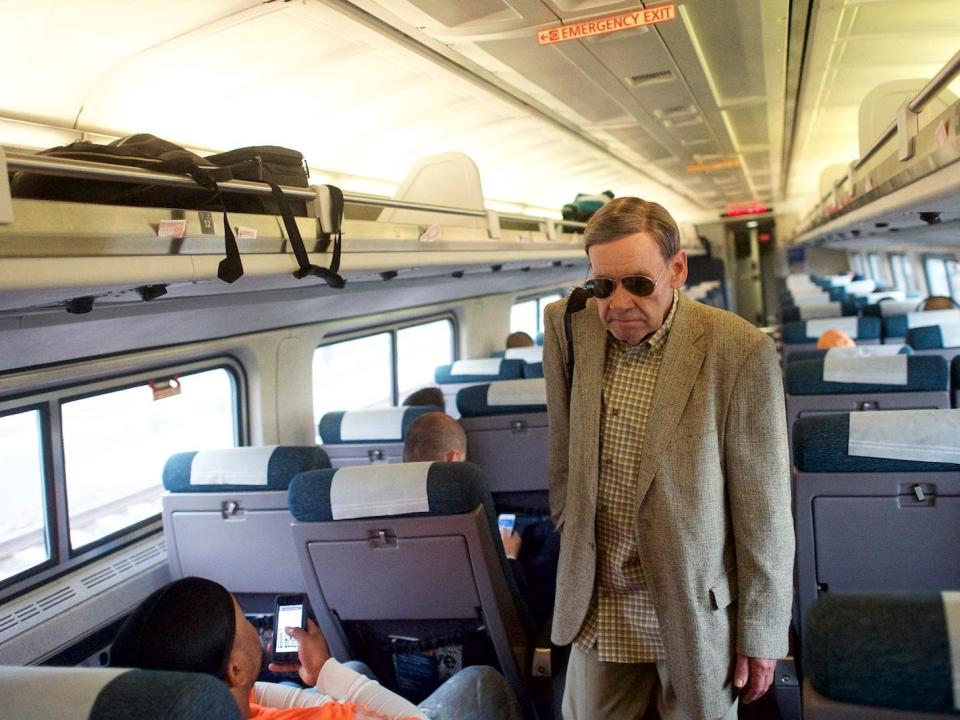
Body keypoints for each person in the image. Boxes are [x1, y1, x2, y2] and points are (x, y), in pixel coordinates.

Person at [542, 197, 793, 720]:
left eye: (637, 283)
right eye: (602, 285)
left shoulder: (738, 349)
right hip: (600, 596)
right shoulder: (569, 325)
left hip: (693, 601)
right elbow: (563, 451)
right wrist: (572, 524)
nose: (617, 303)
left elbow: (764, 510)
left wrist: (764, 630)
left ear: (677, 269)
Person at [110, 577, 522, 720]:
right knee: (479, 682)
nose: (257, 630)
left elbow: (254, 695)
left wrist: (321, 675)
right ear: (233, 671)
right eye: (244, 622)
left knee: (356, 665)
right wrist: (327, 670)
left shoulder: (202, 704)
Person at [403, 412, 560, 628]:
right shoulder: (462, 507)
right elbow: (505, 602)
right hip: (482, 636)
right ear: (453, 458)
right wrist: (509, 558)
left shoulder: (385, 507)